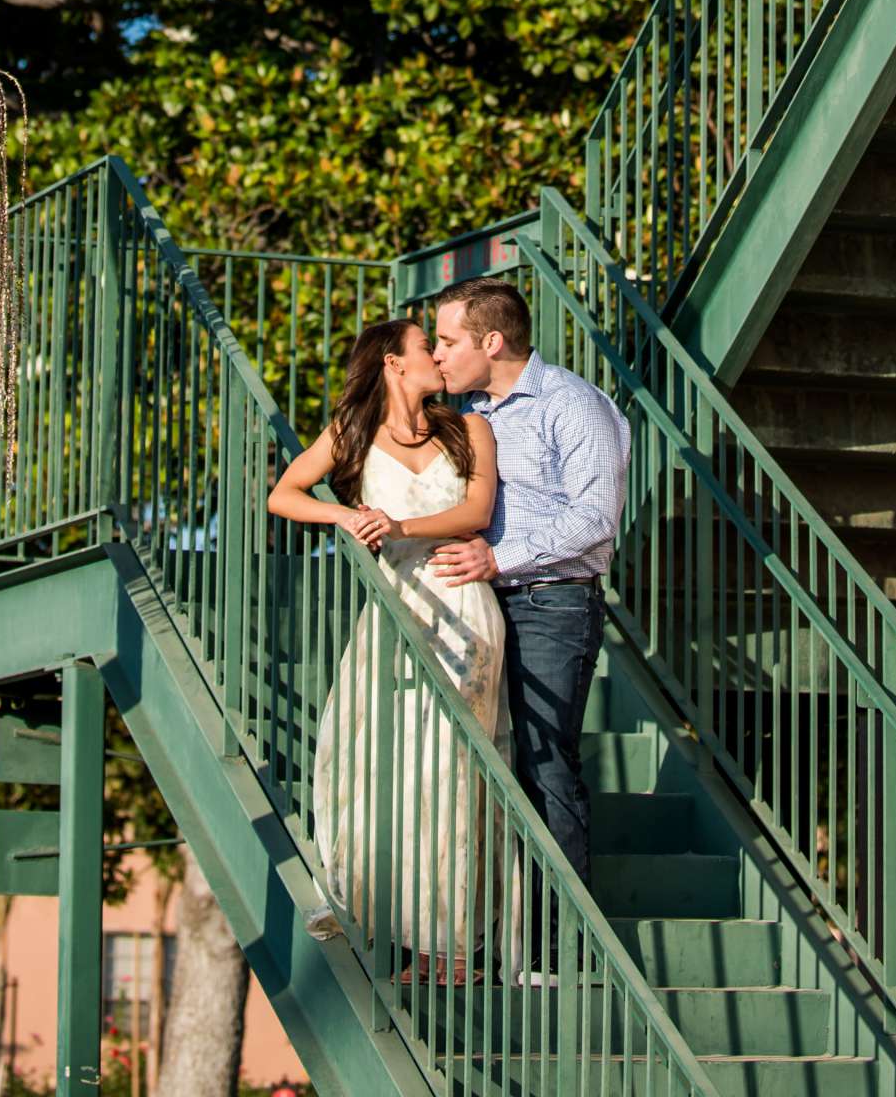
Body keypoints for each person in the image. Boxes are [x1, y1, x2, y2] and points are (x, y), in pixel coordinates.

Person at [267, 318, 507, 982]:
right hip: (394, 609)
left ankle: (452, 946)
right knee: (371, 756)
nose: (436, 354)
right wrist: (344, 515)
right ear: (394, 364)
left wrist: (397, 524)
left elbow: (477, 511)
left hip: (461, 601)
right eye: (425, 346)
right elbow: (283, 494)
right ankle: (377, 911)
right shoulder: (350, 435)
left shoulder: (468, 429)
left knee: (453, 770)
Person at [431, 278, 630, 922]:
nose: (437, 355)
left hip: (552, 606)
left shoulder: (573, 405)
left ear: (491, 341)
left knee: (543, 763)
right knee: (465, 770)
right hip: (477, 606)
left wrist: (498, 557)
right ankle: (479, 931)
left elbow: (596, 517)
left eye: (447, 340)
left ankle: (557, 945)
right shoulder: (468, 415)